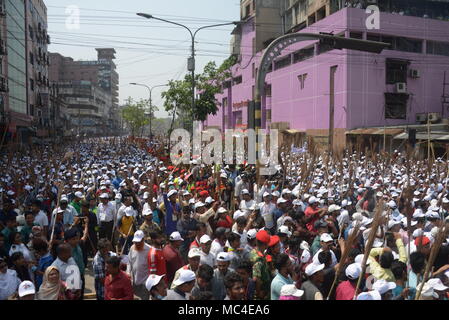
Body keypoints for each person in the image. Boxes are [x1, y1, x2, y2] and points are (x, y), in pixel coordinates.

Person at [249, 230, 272, 300]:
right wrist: (259, 293)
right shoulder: (258, 259)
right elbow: (256, 278)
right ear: (265, 244)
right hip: (262, 291)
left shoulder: (253, 251)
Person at [127, 230, 151, 300]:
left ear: (143, 240)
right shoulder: (132, 248)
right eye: (135, 242)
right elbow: (129, 262)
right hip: (135, 280)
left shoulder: (149, 249)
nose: (137, 244)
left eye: (139, 242)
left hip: (145, 281)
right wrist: (128, 273)